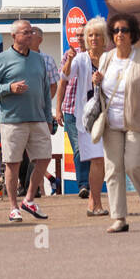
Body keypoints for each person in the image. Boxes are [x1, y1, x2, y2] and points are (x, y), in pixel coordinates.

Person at [0, 19, 53, 224]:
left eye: (31, 32)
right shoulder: (2, 59)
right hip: (12, 121)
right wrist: (8, 89)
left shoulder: (38, 59)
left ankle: (29, 199)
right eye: (25, 32)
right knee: (13, 164)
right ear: (14, 36)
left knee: (44, 158)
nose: (29, 35)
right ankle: (13, 207)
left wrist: (48, 117)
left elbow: (46, 90)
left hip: (38, 118)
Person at [93, 12, 140, 233]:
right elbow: (100, 89)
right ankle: (119, 217)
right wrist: (97, 81)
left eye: (125, 30)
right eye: (116, 30)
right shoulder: (106, 58)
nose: (120, 34)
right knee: (113, 170)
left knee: (133, 166)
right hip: (110, 123)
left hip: (136, 122)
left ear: (133, 34)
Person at [56, 18, 108, 215]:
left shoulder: (110, 58)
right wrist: (69, 59)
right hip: (87, 118)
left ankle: (94, 202)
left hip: (109, 116)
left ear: (105, 38)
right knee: (95, 159)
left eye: (97, 35)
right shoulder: (79, 58)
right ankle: (94, 202)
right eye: (90, 35)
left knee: (102, 161)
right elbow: (65, 77)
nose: (94, 38)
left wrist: (103, 80)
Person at [56, 36, 90, 198]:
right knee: (78, 147)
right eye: (80, 35)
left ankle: (90, 182)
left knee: (91, 148)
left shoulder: (98, 56)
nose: (82, 38)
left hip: (91, 110)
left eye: (86, 34)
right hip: (70, 109)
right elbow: (62, 82)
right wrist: (58, 109)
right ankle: (83, 184)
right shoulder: (69, 55)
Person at [30, 28, 59, 99]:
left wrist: (46, 103)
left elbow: (53, 85)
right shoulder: (20, 58)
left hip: (40, 106)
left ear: (40, 40)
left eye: (31, 38)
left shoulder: (49, 60)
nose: (28, 40)